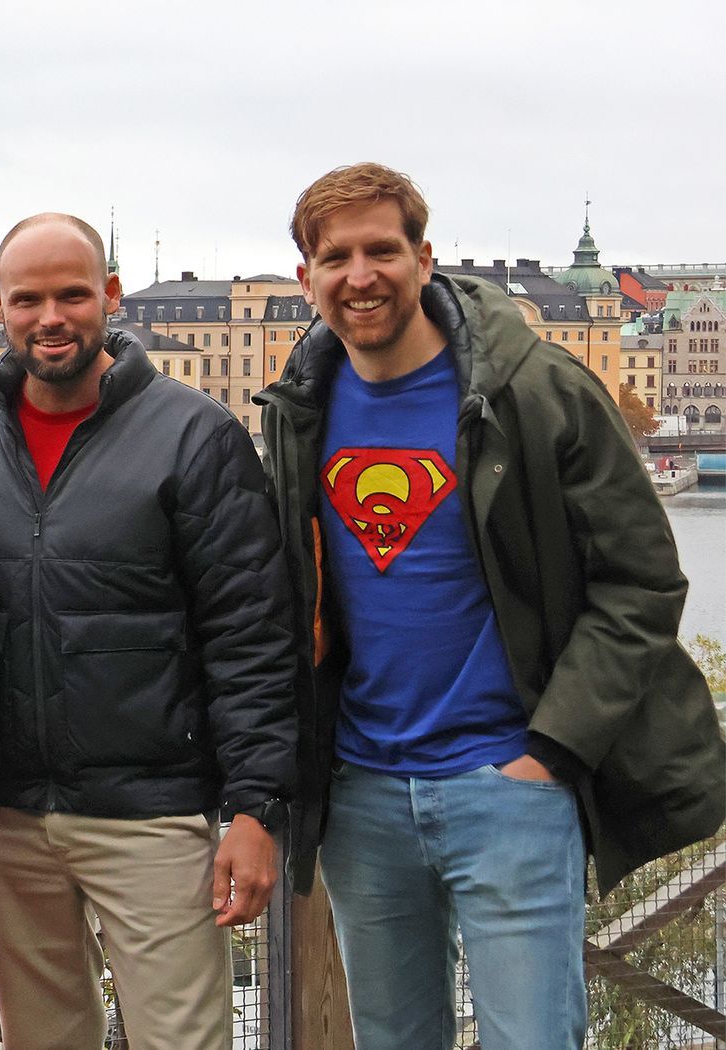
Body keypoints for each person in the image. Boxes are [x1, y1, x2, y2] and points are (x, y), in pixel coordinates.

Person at [262, 162, 726, 1050]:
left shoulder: (538, 389)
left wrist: (552, 750)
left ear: (424, 258)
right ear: (306, 277)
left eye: (381, 250)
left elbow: (641, 582)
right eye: (335, 258)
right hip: (362, 791)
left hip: (509, 786)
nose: (360, 276)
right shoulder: (300, 408)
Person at [0, 214, 295, 1050]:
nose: (50, 317)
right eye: (28, 299)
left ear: (111, 297)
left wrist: (254, 809)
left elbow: (250, 636)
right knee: (40, 1040)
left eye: (72, 295)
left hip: (152, 813)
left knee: (183, 1041)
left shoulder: (194, 434)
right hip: (5, 810)